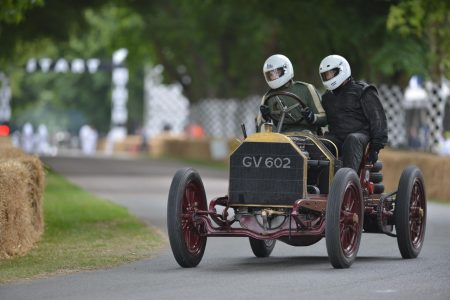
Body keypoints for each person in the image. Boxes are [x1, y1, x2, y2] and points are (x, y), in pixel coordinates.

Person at [318, 54, 388, 171]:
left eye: (330, 73)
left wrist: (376, 148)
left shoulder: (364, 91)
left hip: (360, 137)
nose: (328, 77)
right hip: (336, 137)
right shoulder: (327, 97)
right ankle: (313, 185)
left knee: (352, 140)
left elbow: (378, 119)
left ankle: (348, 183)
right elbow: (321, 119)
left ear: (341, 70)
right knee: (319, 144)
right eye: (325, 75)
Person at [259, 54, 326, 133]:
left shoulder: (306, 89)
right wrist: (265, 117)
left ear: (286, 69)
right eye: (271, 74)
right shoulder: (267, 97)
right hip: (281, 137)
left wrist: (312, 117)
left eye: (277, 72)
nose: (274, 77)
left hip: (306, 135)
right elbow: (261, 126)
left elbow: (324, 118)